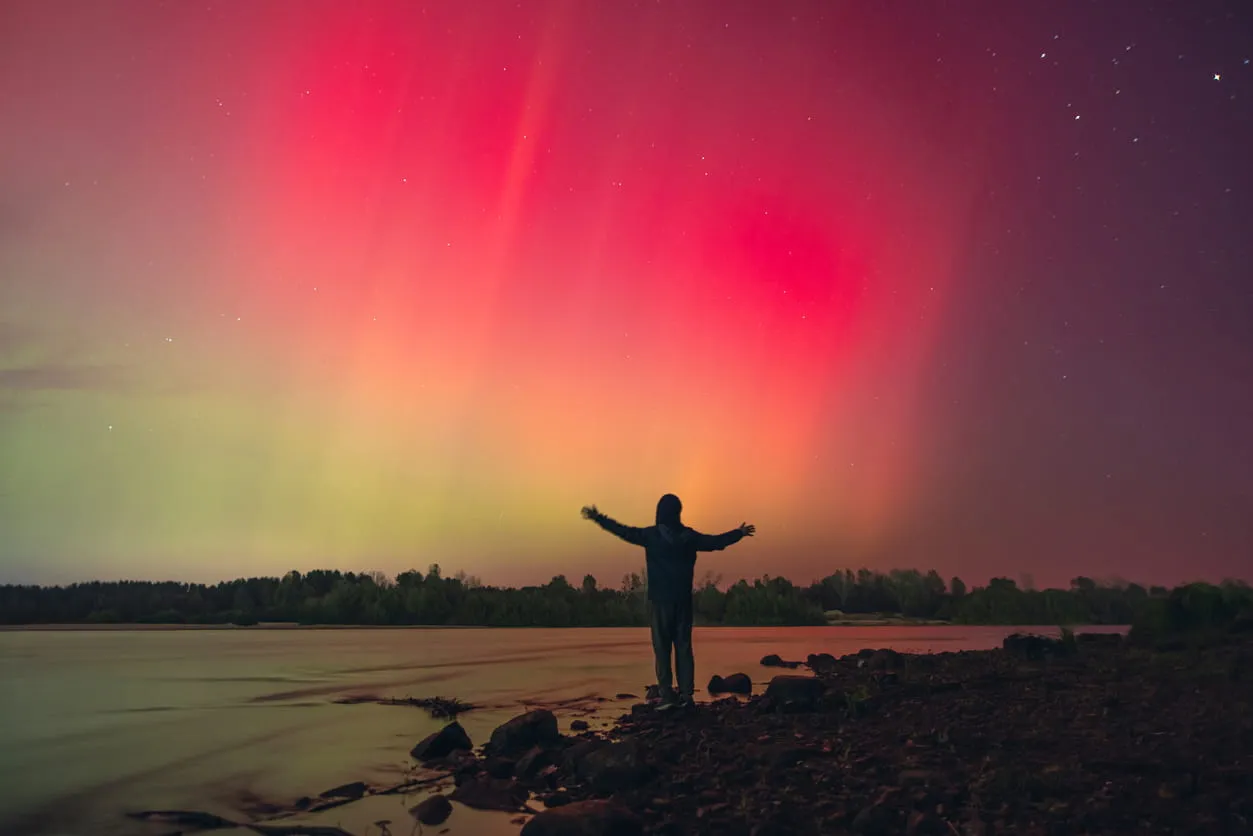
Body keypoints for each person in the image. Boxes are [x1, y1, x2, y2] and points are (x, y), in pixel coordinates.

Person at [581, 494, 755, 711]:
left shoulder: (651, 535)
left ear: (659, 512)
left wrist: (598, 517)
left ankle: (666, 696)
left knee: (662, 649)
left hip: (660, 602)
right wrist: (738, 533)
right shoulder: (689, 536)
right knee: (683, 648)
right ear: (678, 512)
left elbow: (623, 531)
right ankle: (686, 695)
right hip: (682, 602)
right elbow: (715, 542)